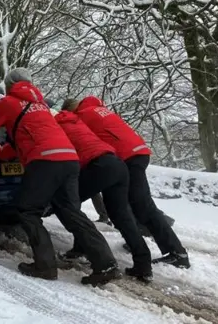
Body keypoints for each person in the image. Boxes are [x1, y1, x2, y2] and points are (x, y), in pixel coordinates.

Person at [0, 68, 121, 285]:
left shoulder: (8, 103)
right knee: (71, 212)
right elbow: (22, 141)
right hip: (70, 159)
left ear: (9, 85)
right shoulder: (41, 106)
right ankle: (106, 264)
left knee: (28, 211)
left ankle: (45, 266)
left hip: (44, 162)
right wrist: (1, 152)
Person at [64, 97, 190, 268]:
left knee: (135, 206)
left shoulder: (81, 116)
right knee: (130, 205)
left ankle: (176, 252)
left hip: (122, 158)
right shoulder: (102, 111)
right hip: (138, 153)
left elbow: (84, 142)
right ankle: (147, 245)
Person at [54, 108, 153, 282]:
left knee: (70, 206)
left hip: (98, 166)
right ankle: (143, 264)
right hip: (117, 164)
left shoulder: (56, 127)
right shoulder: (78, 122)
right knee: (122, 216)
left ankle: (84, 250)